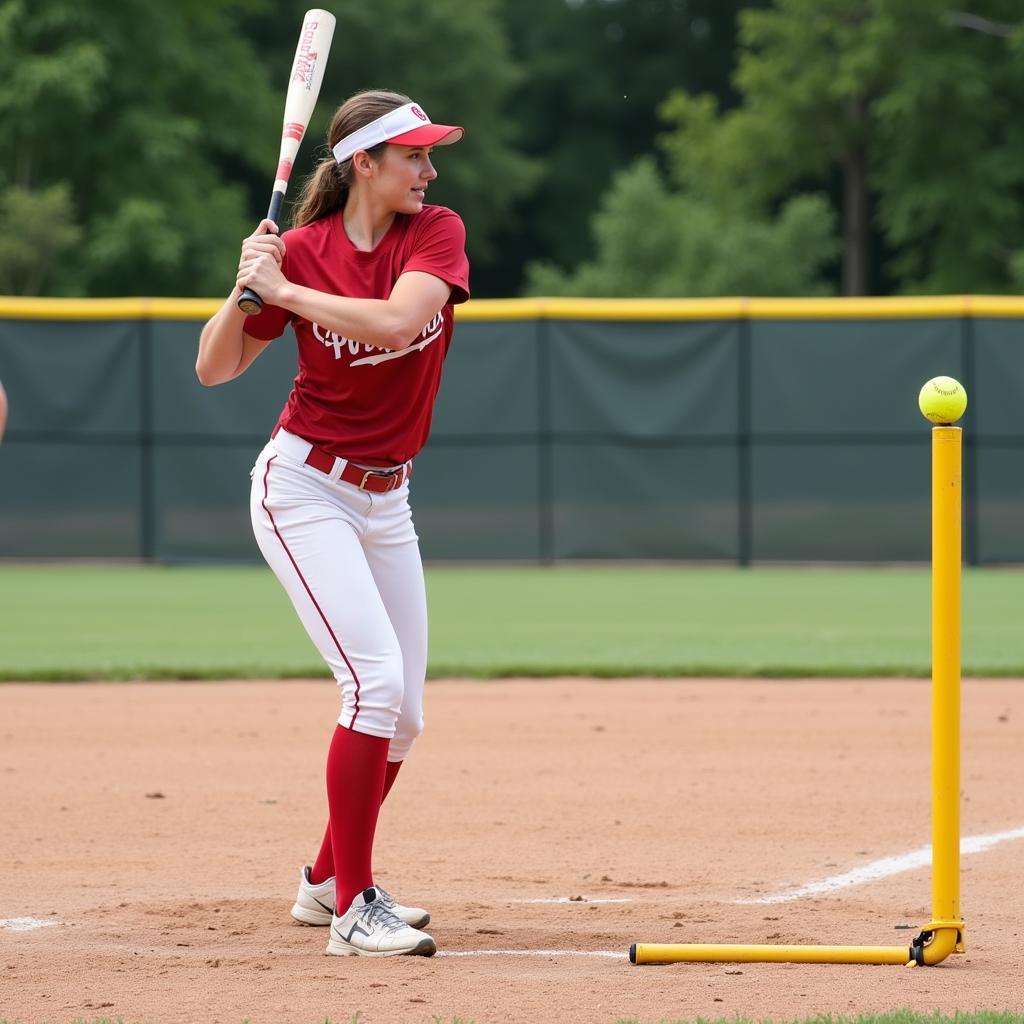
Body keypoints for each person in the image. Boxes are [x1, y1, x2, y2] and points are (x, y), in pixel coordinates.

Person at [196, 89, 469, 958]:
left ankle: (322, 884)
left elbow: (398, 319)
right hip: (304, 488)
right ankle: (355, 907)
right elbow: (214, 367)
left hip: (387, 498)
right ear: (364, 164)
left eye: (430, 156)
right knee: (373, 686)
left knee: (407, 714)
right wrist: (246, 290)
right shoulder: (300, 251)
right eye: (414, 156)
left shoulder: (434, 233)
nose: (429, 171)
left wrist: (289, 290)